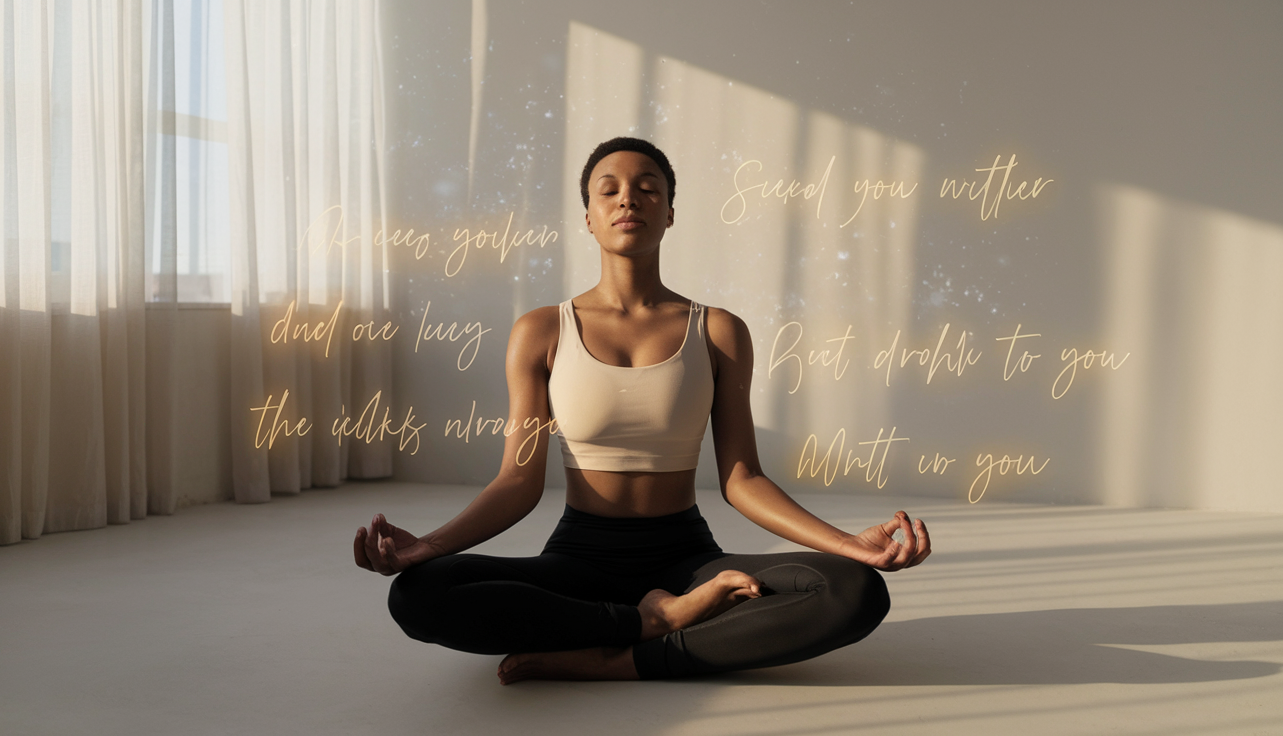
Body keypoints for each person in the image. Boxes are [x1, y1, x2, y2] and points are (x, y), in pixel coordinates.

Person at [353, 137, 931, 684]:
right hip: (578, 559)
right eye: (608, 189)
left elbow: (743, 479)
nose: (628, 197)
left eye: (648, 187)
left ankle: (618, 660)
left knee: (853, 591)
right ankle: (649, 624)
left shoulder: (719, 331)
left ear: (671, 212)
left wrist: (849, 545)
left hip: (685, 557)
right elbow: (517, 481)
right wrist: (428, 546)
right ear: (588, 216)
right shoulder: (541, 331)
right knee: (418, 593)